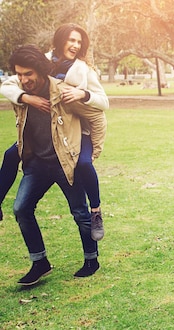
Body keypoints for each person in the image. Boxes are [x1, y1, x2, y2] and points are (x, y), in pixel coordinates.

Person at [6, 44, 106, 286]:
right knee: (21, 209)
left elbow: (97, 115)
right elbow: (7, 86)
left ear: (40, 70)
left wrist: (94, 149)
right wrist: (26, 96)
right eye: (19, 74)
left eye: (28, 74)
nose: (23, 79)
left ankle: (91, 259)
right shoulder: (19, 91)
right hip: (37, 164)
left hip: (65, 162)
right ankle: (40, 262)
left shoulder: (62, 92)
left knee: (80, 213)